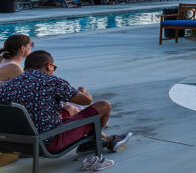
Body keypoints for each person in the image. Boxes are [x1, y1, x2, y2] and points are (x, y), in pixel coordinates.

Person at [0, 50, 132, 164]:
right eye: (54, 68)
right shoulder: (51, 82)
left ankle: (100, 139)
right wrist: (82, 91)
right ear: (48, 65)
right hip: (48, 143)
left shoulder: (7, 86)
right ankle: (92, 142)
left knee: (69, 109)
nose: (53, 71)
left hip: (14, 143)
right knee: (104, 105)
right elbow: (86, 101)